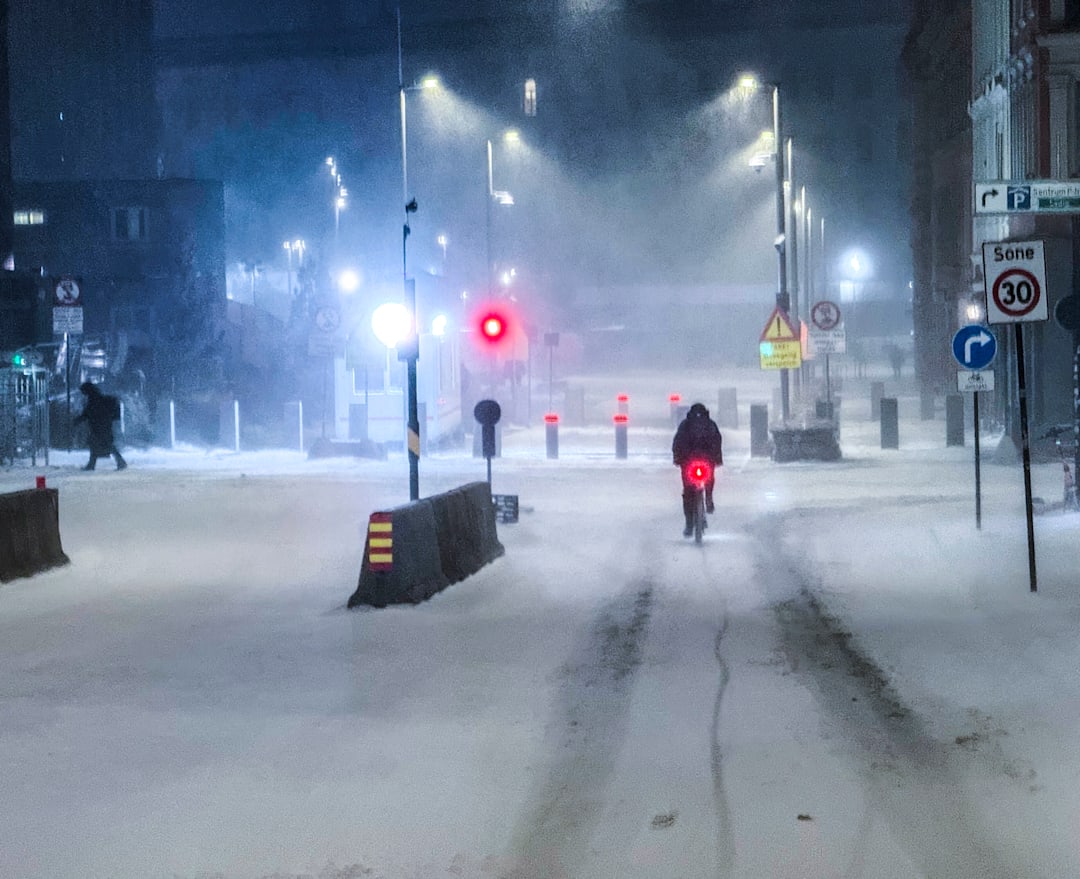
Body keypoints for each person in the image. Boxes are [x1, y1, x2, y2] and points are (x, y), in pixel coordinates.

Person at [672, 402, 723, 537]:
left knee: (688, 492)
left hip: (688, 462)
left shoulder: (685, 425)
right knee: (709, 479)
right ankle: (709, 498)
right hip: (707, 460)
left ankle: (689, 523)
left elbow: (677, 443)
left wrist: (678, 459)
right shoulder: (710, 425)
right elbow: (717, 442)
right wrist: (717, 459)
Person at [74, 381, 127, 471]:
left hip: (98, 426)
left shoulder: (93, 399)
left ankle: (119, 462)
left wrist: (77, 420)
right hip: (104, 425)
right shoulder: (97, 397)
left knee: (99, 444)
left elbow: (88, 412)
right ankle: (119, 462)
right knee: (101, 444)